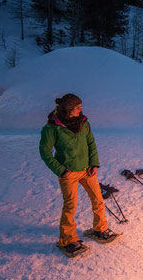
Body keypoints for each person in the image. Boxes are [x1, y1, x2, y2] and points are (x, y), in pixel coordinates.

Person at [39, 94, 117, 255]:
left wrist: (94, 163)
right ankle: (68, 240)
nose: (81, 110)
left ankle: (100, 229)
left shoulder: (83, 123)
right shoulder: (52, 128)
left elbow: (91, 143)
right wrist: (60, 169)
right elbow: (45, 151)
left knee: (98, 199)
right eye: (78, 107)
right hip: (68, 173)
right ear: (69, 109)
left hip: (87, 170)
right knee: (70, 206)